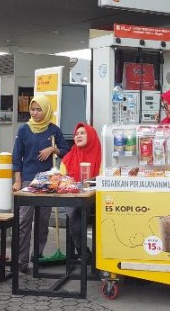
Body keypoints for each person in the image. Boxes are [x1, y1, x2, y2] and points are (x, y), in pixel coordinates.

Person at [11, 95, 69, 272]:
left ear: (46, 111)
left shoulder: (54, 130)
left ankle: (37, 255)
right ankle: (21, 260)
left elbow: (66, 151)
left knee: (43, 221)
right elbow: (16, 157)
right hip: (28, 181)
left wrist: (53, 149)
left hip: (47, 181)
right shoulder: (23, 130)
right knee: (23, 221)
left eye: (39, 109)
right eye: (33, 109)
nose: (35, 113)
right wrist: (18, 181)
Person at [60, 122, 102, 258]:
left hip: (98, 198)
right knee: (76, 217)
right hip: (76, 199)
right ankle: (84, 255)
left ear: (90, 136)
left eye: (82, 133)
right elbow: (61, 179)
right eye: (76, 134)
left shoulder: (102, 155)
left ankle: (100, 257)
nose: (78, 136)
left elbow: (103, 176)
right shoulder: (68, 158)